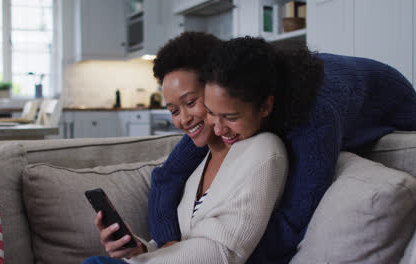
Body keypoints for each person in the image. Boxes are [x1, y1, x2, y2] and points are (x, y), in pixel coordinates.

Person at [148, 36, 416, 263]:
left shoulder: (313, 118)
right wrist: (169, 245)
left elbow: (292, 223)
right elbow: (166, 176)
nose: (216, 128)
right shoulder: (224, 106)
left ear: (265, 107)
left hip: (393, 103)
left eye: (228, 118)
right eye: (209, 112)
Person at [83, 32, 288, 264]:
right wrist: (137, 250)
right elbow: (180, 246)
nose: (183, 120)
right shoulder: (198, 163)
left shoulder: (262, 150)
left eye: (190, 102)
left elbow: (224, 251)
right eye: (173, 111)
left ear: (215, 88)